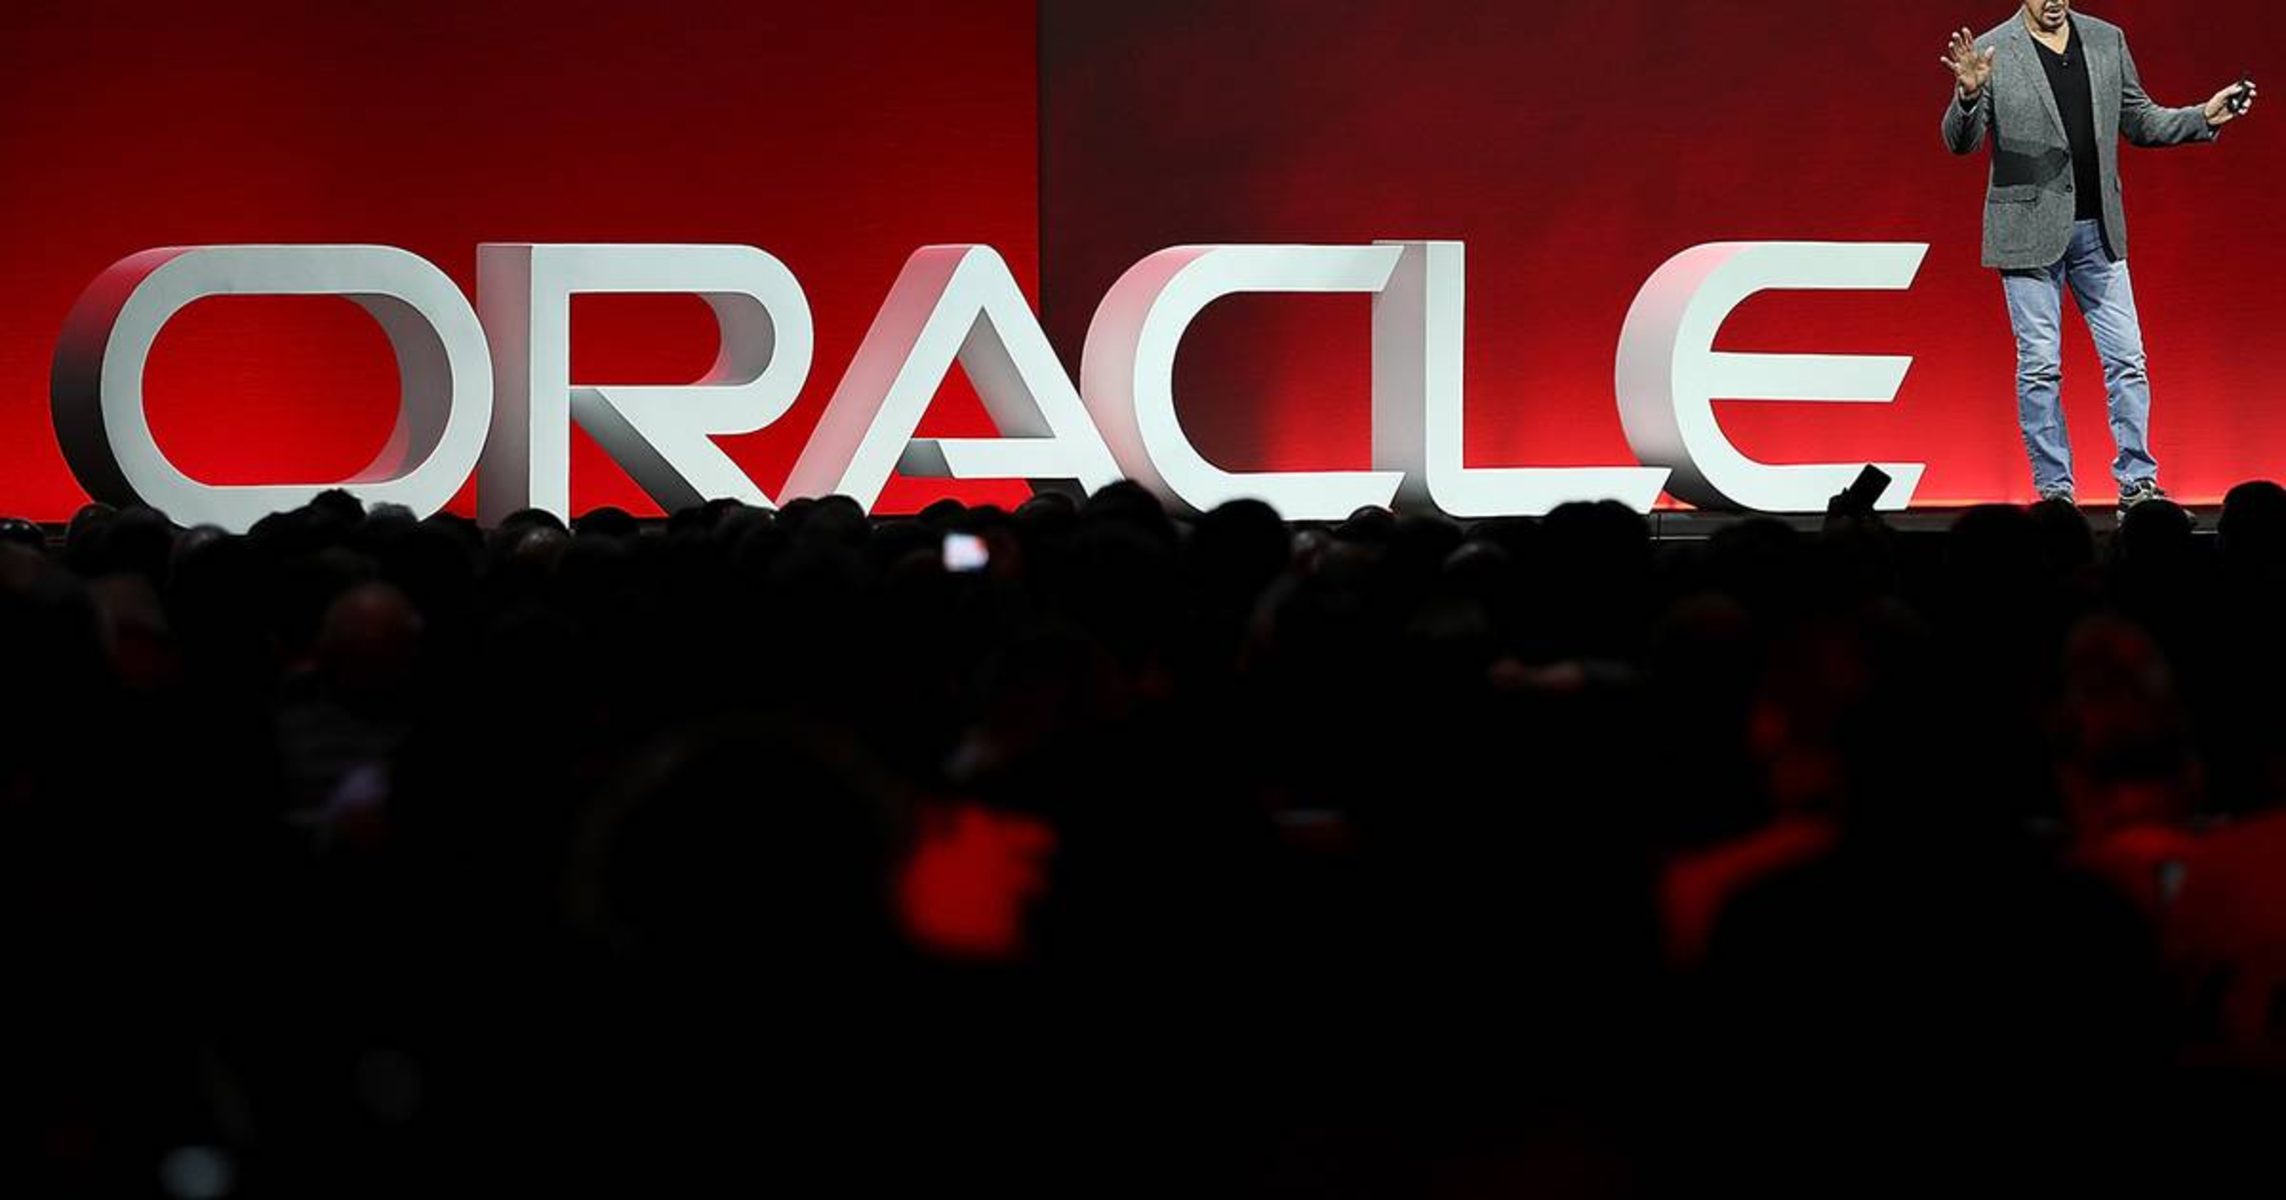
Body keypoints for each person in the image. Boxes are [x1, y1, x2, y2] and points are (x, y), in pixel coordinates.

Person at [1939, 1, 2255, 516]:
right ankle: (2056, 495)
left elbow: (2140, 120)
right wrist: (1969, 96)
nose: (2055, 1)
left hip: (2098, 232)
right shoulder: (1993, 49)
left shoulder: (2107, 39)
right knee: (2040, 367)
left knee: (2128, 360)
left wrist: (2202, 116)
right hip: (2028, 235)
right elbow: (1961, 143)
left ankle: (2137, 485)